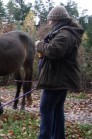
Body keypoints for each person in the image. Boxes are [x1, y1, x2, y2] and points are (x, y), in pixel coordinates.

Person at [35, 6, 84, 139]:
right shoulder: (64, 32)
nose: (49, 23)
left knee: (46, 109)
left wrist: (39, 45)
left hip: (57, 79)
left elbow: (54, 51)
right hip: (59, 78)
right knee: (56, 109)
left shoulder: (65, 34)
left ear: (55, 20)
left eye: (50, 20)